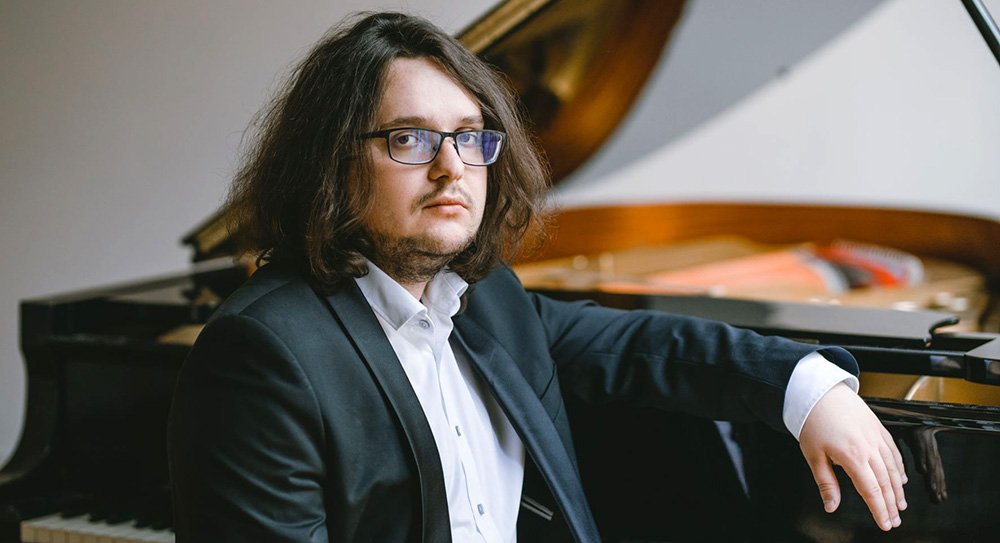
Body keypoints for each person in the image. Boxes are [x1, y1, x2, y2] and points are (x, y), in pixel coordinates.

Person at [167, 11, 907, 543]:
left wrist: (806, 388)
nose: (452, 166)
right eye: (410, 138)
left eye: (469, 137)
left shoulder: (487, 301)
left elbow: (641, 346)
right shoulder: (264, 352)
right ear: (333, 160)